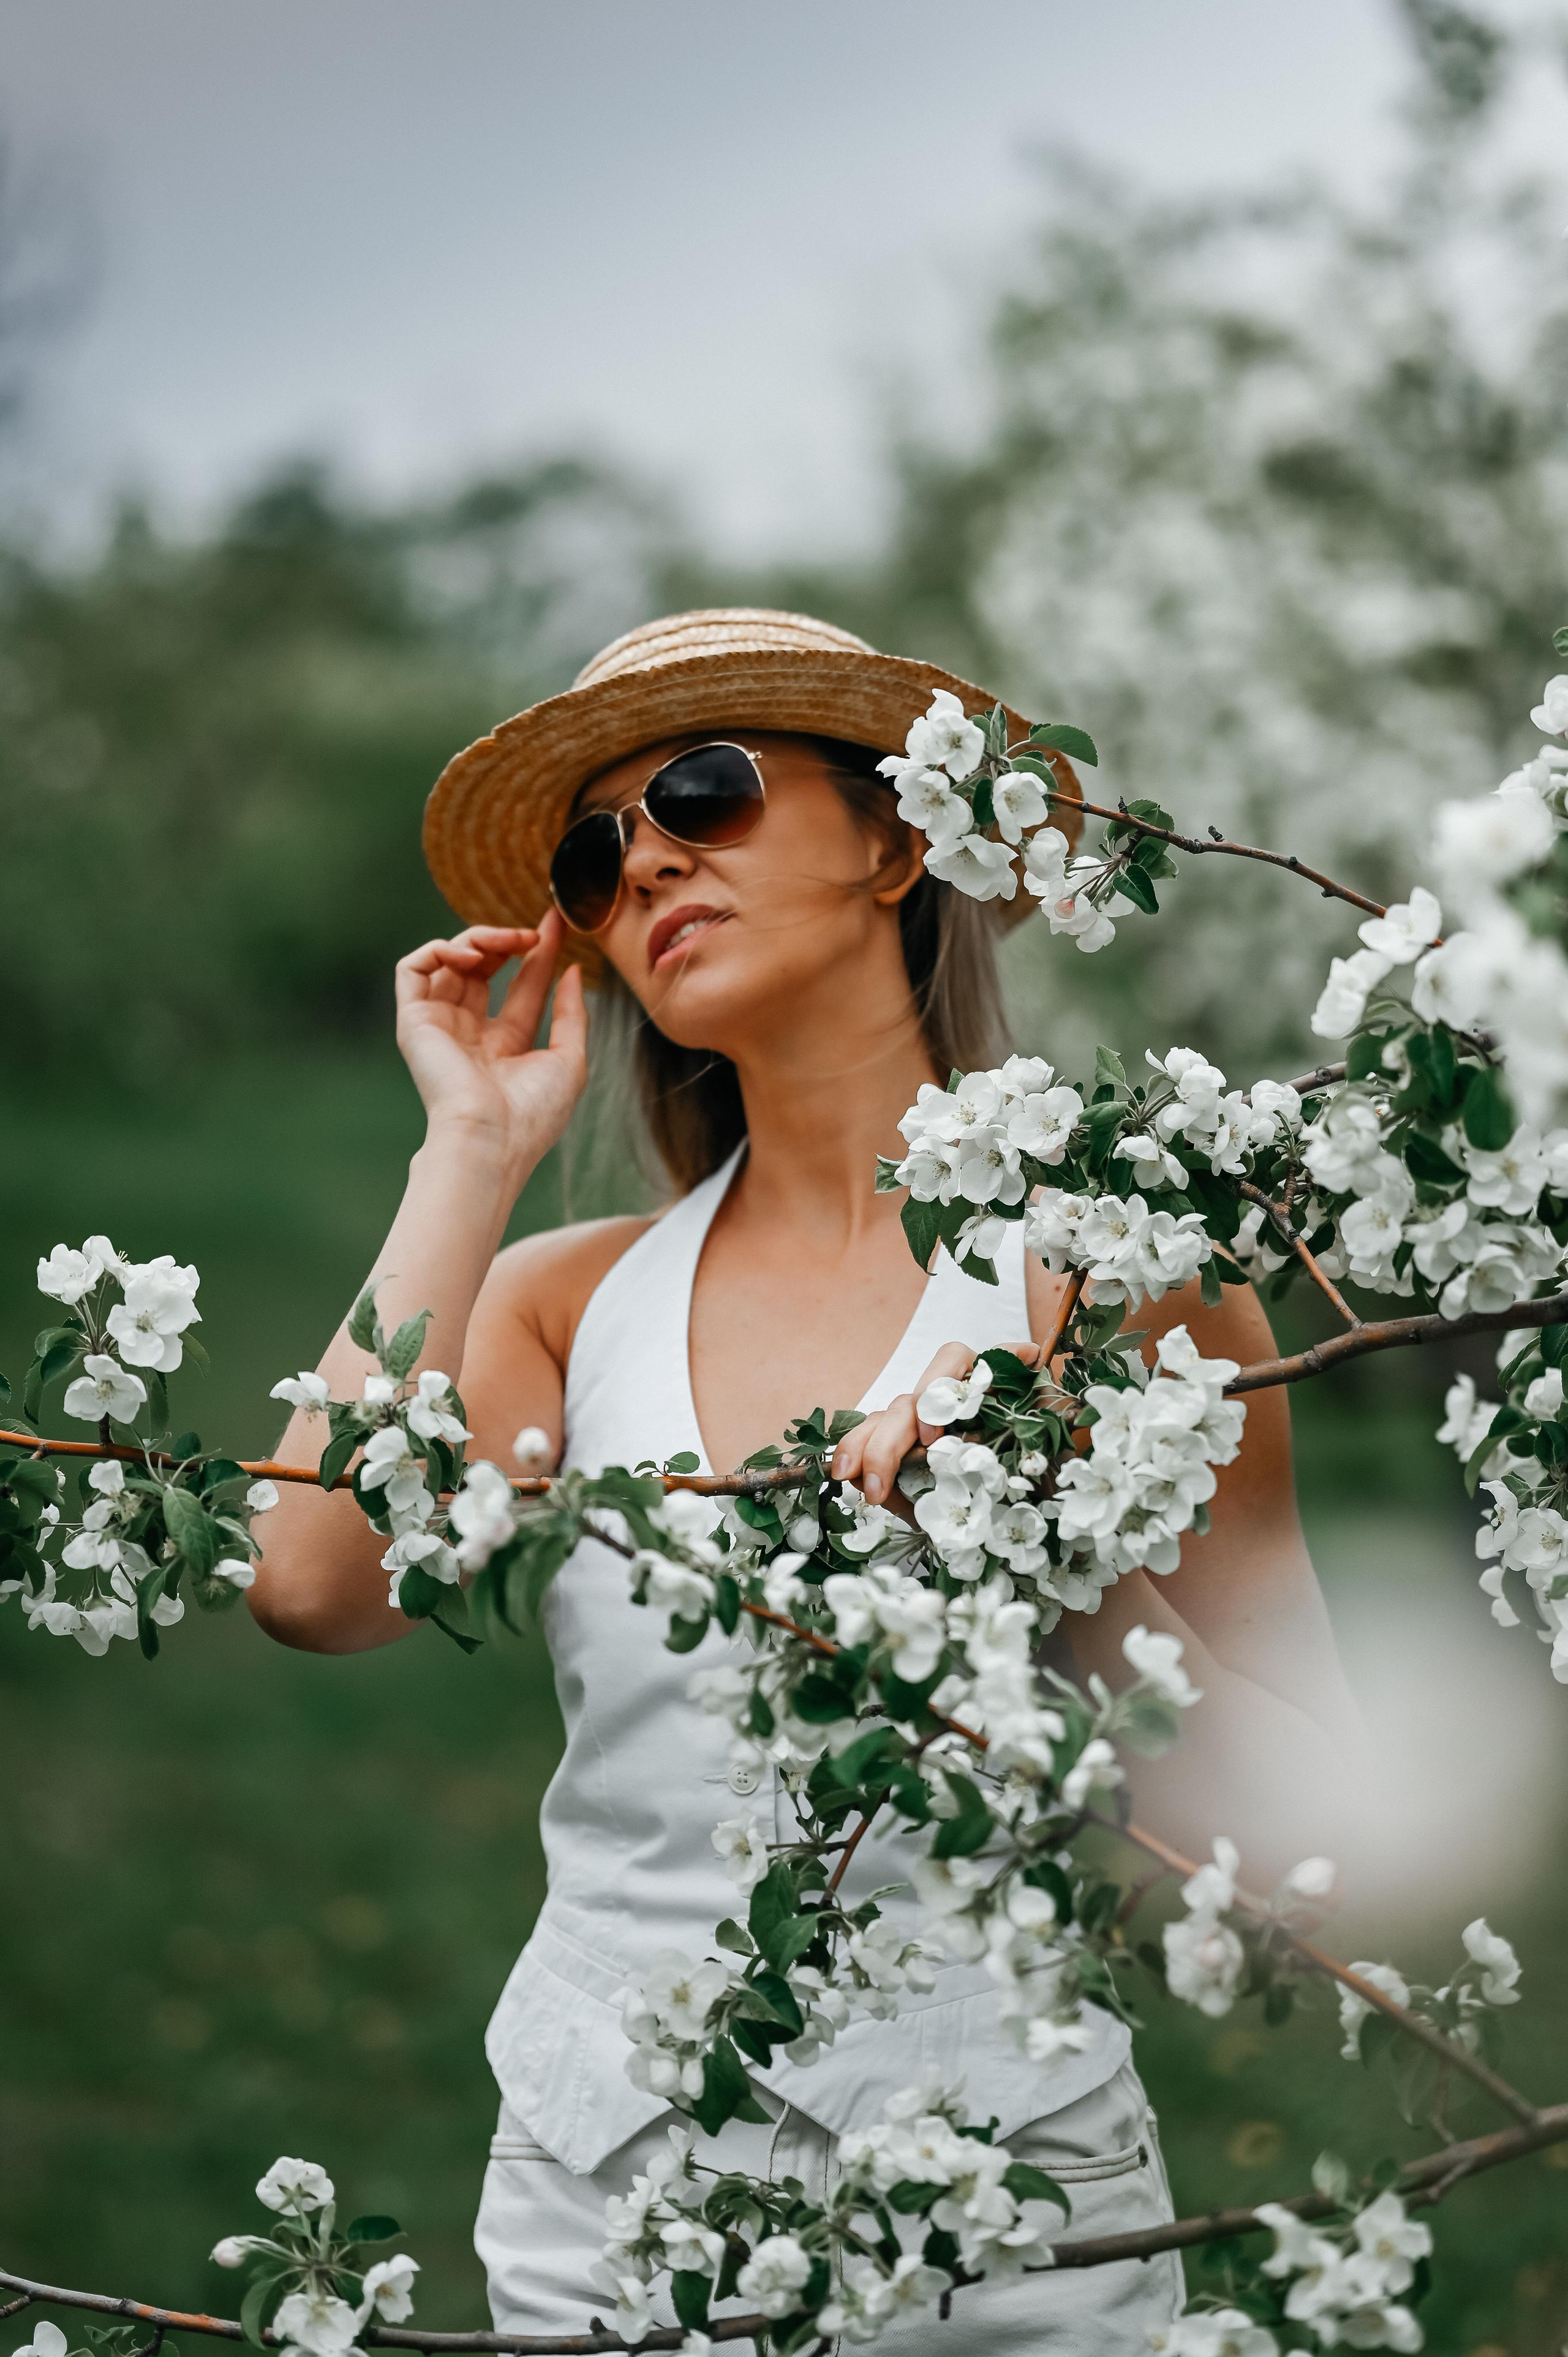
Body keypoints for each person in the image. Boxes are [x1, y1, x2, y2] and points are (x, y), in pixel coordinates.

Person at [251, 607, 1363, 2350]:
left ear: (900, 835)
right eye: (594, 852)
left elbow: (1328, 1841)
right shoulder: (567, 1301)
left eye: (704, 789)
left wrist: (1084, 1551)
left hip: (1020, 2231)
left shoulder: (1126, 1267)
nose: (650, 858)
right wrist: (470, 1147)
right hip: (605, 2214)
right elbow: (313, 1583)